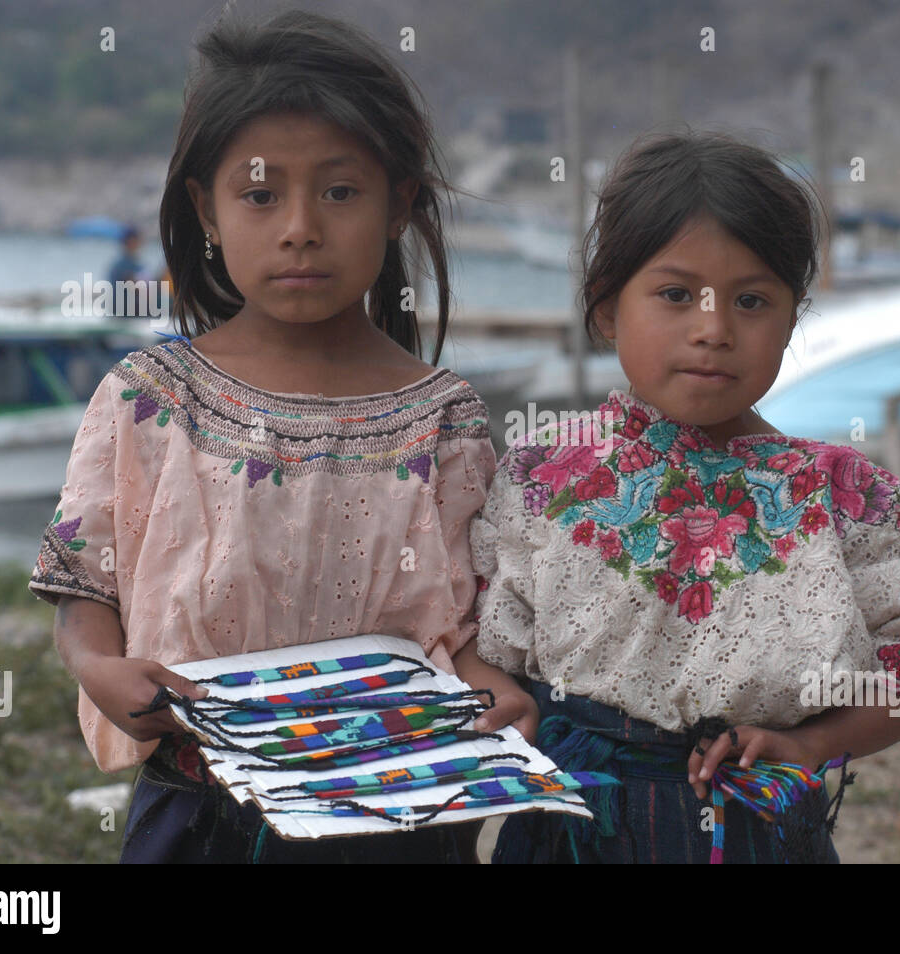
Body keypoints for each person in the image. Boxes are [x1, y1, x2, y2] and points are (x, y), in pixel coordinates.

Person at [28, 9, 536, 864]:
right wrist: (100, 671)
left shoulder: (443, 415)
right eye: (260, 194)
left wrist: (494, 690)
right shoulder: (150, 400)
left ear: (398, 204)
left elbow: (463, 618)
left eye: (340, 191)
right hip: (205, 811)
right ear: (208, 211)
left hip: (399, 809)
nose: (300, 225)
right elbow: (89, 587)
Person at [470, 129, 900, 864]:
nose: (714, 330)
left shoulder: (849, 496)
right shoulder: (542, 476)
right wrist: (497, 697)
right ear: (607, 308)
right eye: (676, 295)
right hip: (577, 825)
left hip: (757, 830)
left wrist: (810, 743)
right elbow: (477, 637)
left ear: (792, 319)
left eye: (751, 300)